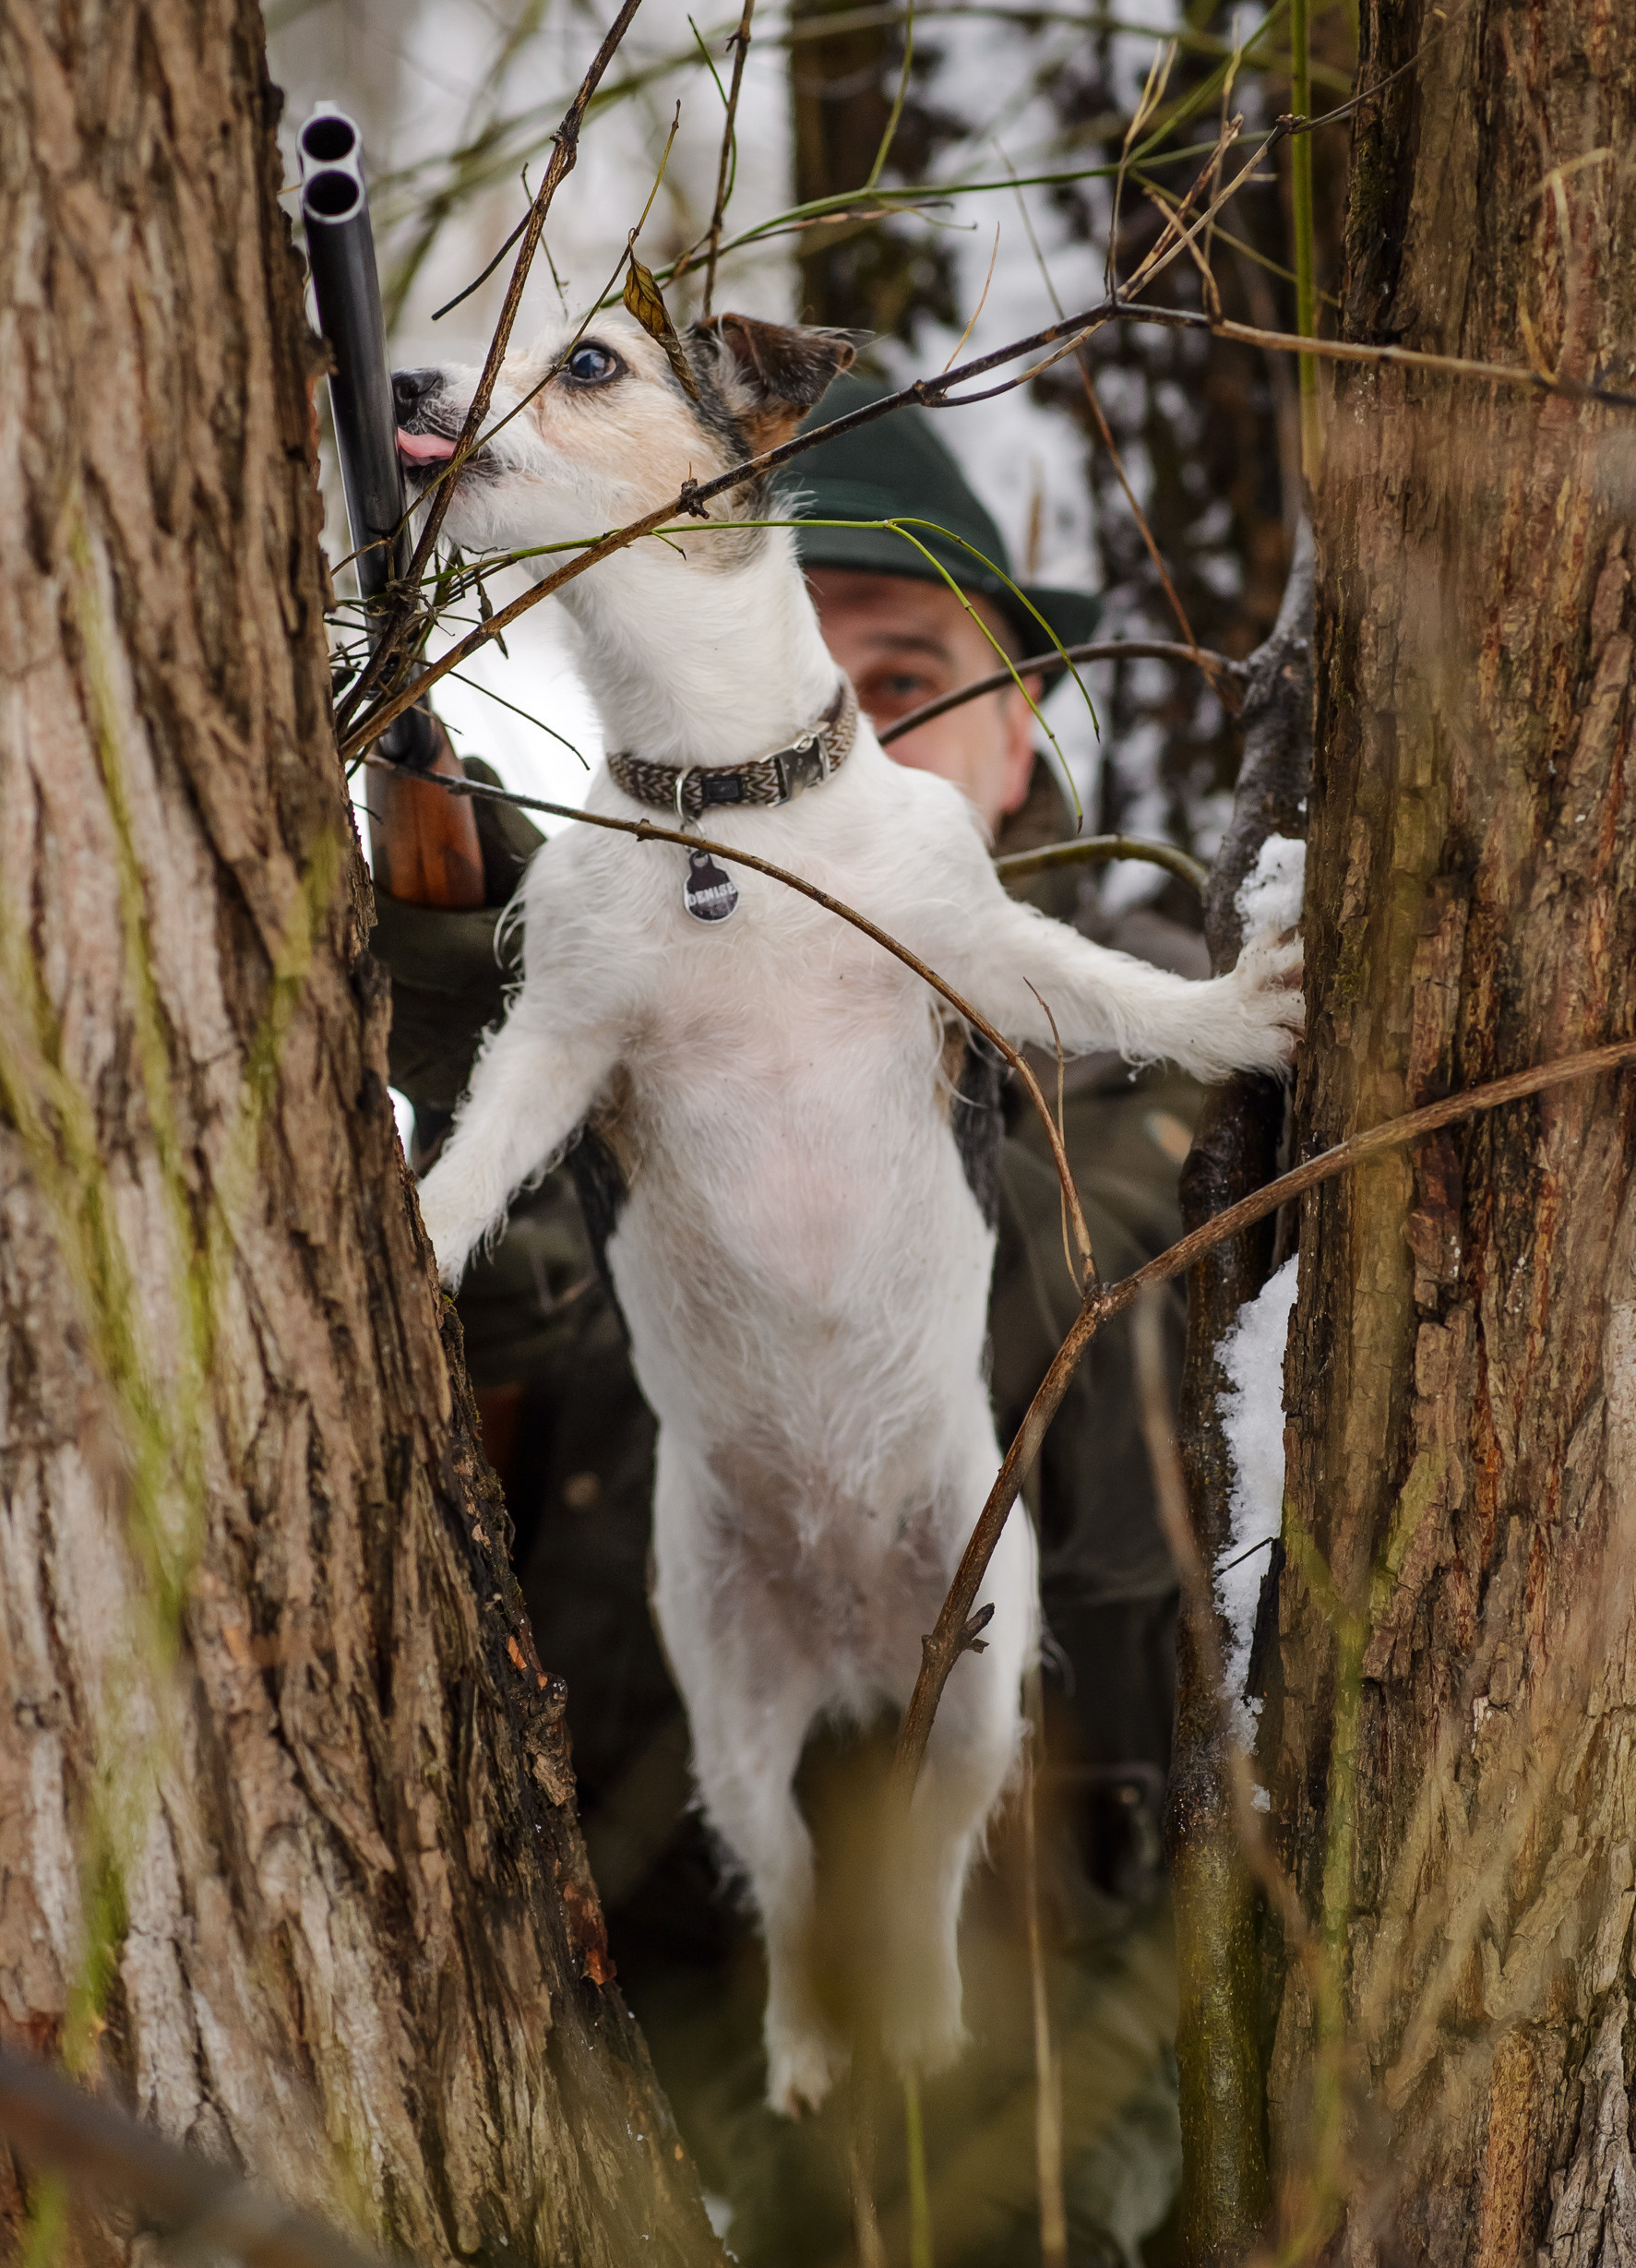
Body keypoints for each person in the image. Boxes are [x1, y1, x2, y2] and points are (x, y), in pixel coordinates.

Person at [368, 376, 1202, 2267]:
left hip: (1035, 1983)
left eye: (897, 672)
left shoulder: (1143, 1035)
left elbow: (1061, 1295)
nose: (819, 719)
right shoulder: (616, 957)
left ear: (1014, 727)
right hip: (630, 1968)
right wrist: (490, 1020)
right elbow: (508, 1380)